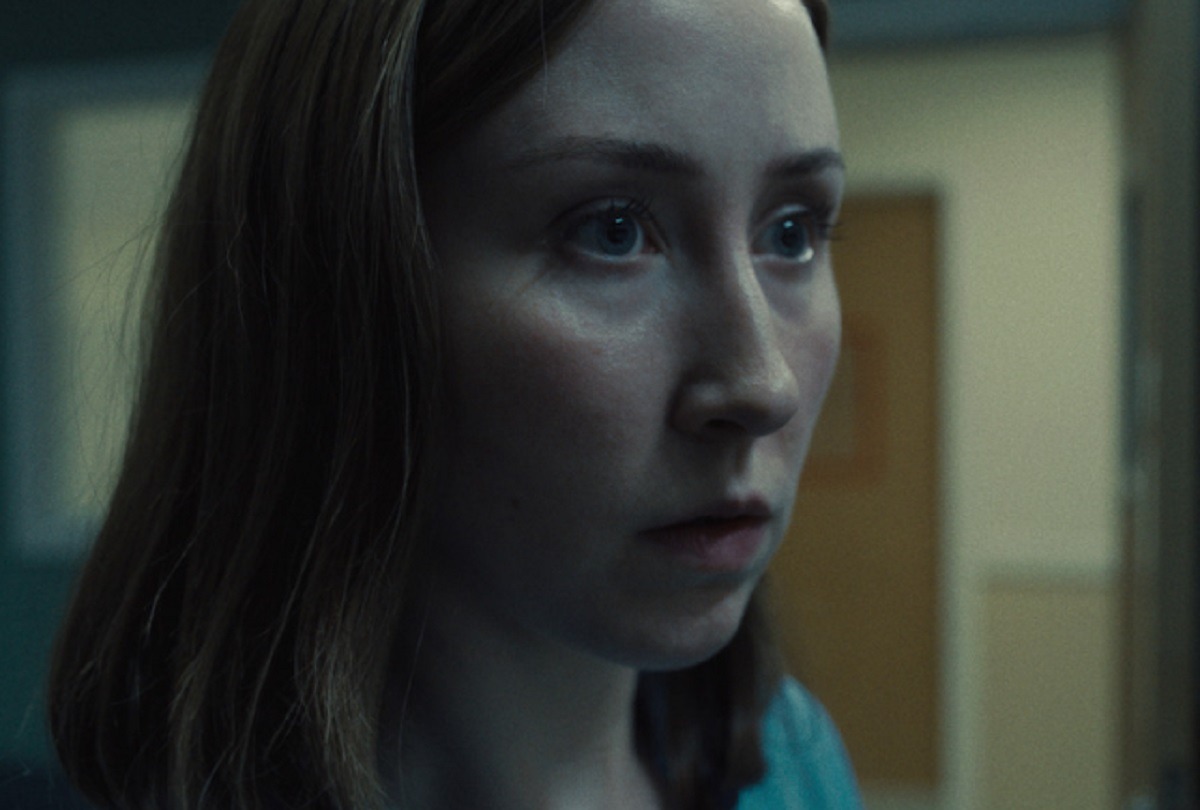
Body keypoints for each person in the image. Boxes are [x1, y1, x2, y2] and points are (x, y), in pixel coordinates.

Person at [47, 0, 858, 808]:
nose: (765, 387)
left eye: (792, 232)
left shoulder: (793, 765)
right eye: (612, 230)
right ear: (341, 289)